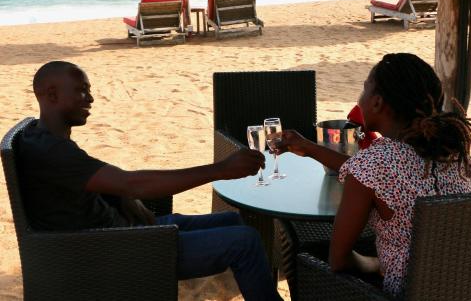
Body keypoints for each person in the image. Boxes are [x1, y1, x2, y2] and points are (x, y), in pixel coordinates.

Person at [18, 61, 283, 301]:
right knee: (245, 242)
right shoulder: (51, 151)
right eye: (81, 91)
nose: (91, 98)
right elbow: (131, 183)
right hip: (116, 252)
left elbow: (99, 184)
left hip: (123, 232)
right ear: (52, 95)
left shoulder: (38, 137)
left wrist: (127, 203)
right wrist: (220, 169)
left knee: (232, 221)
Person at [275, 53, 471, 298]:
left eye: (364, 89)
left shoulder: (376, 163)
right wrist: (310, 148)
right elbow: (371, 170)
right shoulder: (454, 151)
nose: (359, 98)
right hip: (470, 285)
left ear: (377, 103)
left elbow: (338, 261)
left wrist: (376, 264)